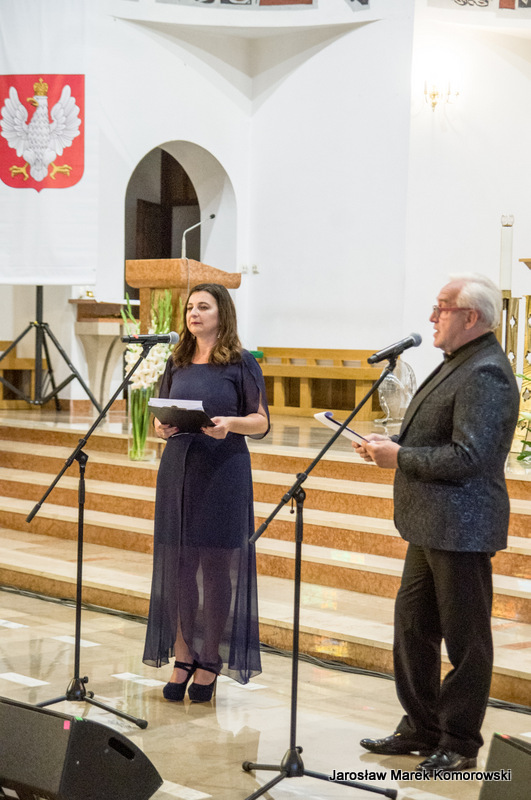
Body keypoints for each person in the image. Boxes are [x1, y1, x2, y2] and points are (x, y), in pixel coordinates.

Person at [355, 274, 519, 773]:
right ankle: (422, 726)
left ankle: (460, 741)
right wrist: (391, 446)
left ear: (471, 317)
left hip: (461, 527)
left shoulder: (485, 371)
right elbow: (437, 436)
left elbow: (470, 456)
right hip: (432, 523)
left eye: (442, 307)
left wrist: (400, 458)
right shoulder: (458, 361)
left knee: (466, 640)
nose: (432, 316)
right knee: (413, 627)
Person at [142, 283, 269, 702]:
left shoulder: (241, 362)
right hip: (179, 468)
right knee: (180, 566)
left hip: (223, 469)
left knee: (216, 567)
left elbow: (261, 421)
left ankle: (210, 658)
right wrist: (160, 426)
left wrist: (230, 424)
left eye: (203, 307)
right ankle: (183, 655)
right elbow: (159, 415)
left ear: (222, 314)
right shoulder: (176, 360)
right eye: (190, 308)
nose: (194, 314)